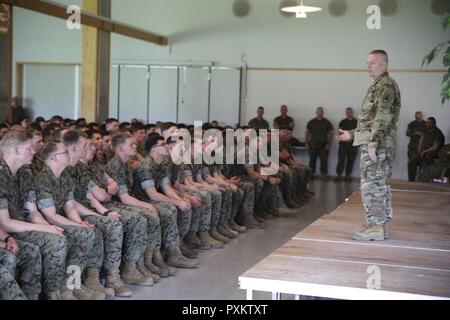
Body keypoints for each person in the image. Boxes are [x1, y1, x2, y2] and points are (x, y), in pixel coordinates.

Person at [337, 49, 401, 241]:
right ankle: (377, 225)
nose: (368, 66)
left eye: (372, 63)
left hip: (378, 146)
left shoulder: (386, 86)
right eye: (367, 63)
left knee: (373, 186)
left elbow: (382, 118)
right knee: (377, 185)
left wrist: (372, 143)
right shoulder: (378, 85)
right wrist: (352, 134)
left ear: (384, 65)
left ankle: (376, 227)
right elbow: (370, 121)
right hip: (376, 143)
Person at [408, 117, 445, 181]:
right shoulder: (426, 130)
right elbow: (421, 139)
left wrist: (424, 151)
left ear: (434, 124)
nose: (428, 124)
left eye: (430, 123)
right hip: (423, 152)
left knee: (426, 160)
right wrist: (419, 151)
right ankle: (411, 181)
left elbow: (435, 147)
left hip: (433, 154)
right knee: (411, 161)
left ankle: (423, 180)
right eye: (427, 123)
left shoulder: (438, 133)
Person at [305, 107, 333, 181]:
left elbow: (330, 134)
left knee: (324, 160)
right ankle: (311, 174)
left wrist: (329, 144)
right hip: (313, 145)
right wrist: (306, 143)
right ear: (316, 112)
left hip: (324, 145)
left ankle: (323, 175)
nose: (320, 113)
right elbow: (307, 133)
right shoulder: (311, 122)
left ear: (323, 112)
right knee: (312, 160)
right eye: (318, 111)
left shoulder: (327, 122)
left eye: (321, 111)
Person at [335, 107, 358, 182]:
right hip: (343, 145)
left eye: (350, 112)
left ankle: (348, 175)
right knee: (341, 160)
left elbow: (359, 133)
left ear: (352, 113)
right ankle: (339, 175)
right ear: (346, 113)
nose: (348, 113)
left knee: (351, 160)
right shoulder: (343, 122)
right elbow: (340, 132)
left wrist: (351, 138)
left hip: (353, 145)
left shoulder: (356, 122)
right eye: (347, 112)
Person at [406, 111, 426, 181]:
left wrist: (422, 134)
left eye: (419, 118)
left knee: (422, 165)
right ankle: (411, 181)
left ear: (422, 117)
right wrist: (414, 133)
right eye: (417, 118)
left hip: (423, 149)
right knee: (411, 165)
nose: (418, 119)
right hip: (412, 148)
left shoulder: (426, 124)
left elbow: (429, 134)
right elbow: (407, 133)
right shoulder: (411, 124)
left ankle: (421, 181)